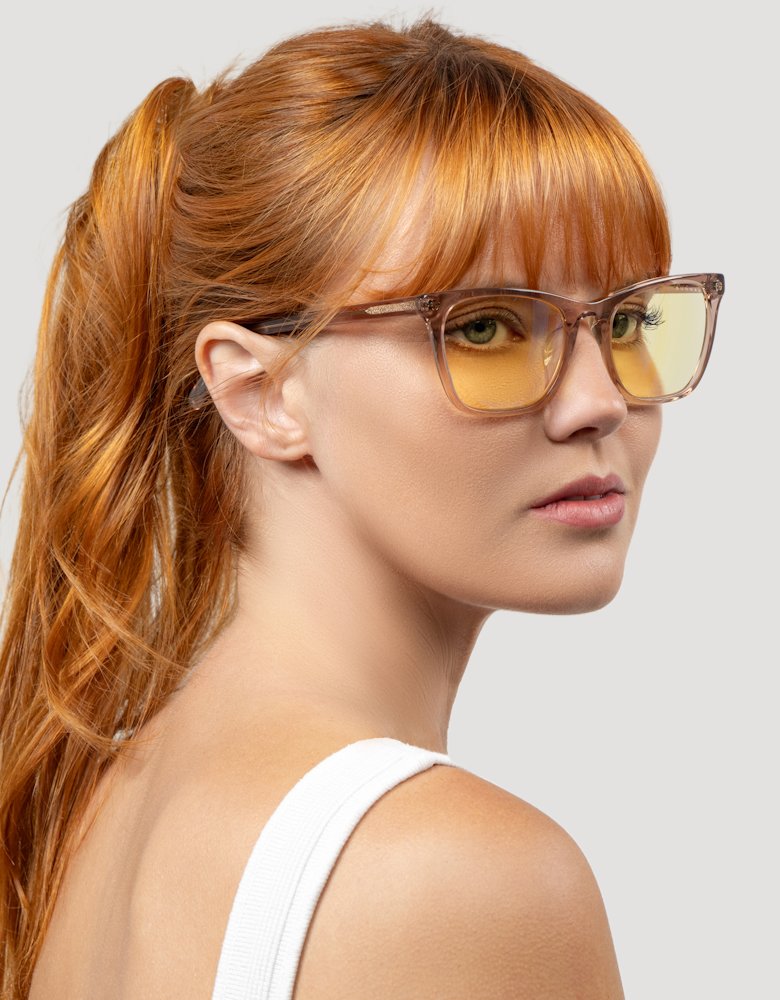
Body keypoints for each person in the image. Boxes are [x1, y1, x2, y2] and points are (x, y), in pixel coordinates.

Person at [0, 17, 723, 1000]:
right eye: (484, 327)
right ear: (261, 392)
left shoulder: (81, 812)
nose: (600, 401)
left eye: (627, 319)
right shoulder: (460, 877)